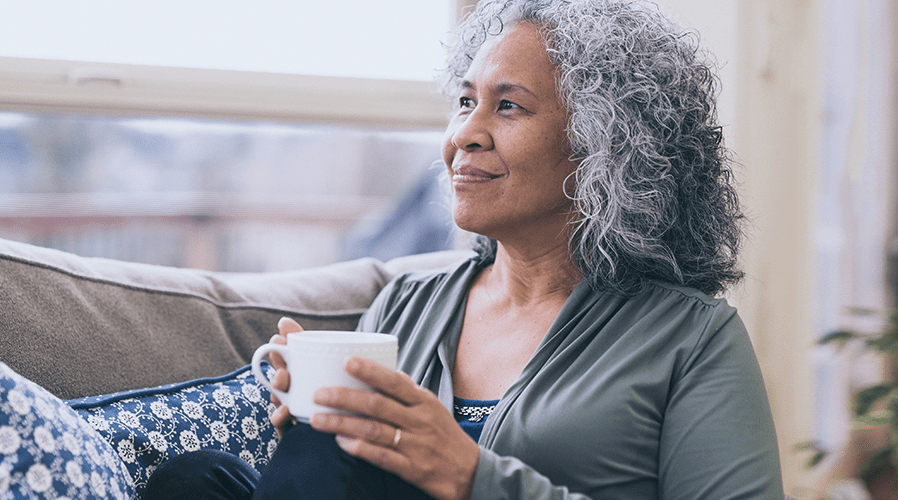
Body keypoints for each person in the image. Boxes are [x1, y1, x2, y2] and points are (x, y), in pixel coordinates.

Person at [147, 0, 784, 498]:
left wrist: (471, 477)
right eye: (464, 102)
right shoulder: (406, 304)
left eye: (508, 106)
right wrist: (315, 429)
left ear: (606, 146)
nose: (465, 136)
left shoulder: (692, 340)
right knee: (199, 480)